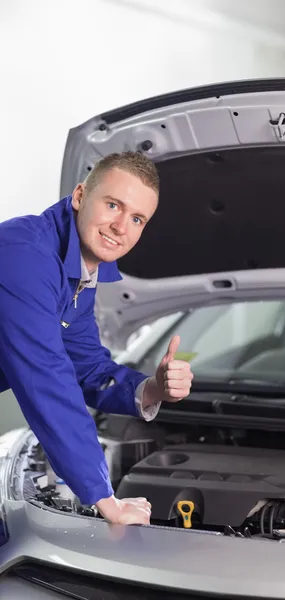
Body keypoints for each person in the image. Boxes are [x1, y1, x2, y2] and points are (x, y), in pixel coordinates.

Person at [0, 151, 193, 525]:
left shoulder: (78, 276)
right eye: (113, 205)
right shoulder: (24, 255)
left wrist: (152, 388)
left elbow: (86, 367)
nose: (121, 226)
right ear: (79, 196)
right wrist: (105, 498)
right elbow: (48, 380)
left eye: (137, 218)